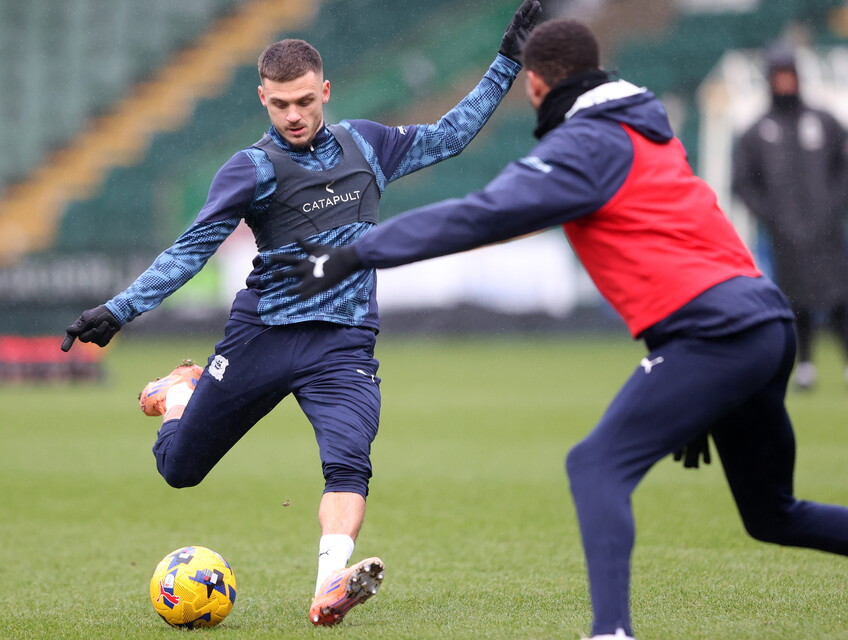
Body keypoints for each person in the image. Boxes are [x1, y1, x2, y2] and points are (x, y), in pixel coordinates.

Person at [275, 19, 848, 640]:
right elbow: (683, 250)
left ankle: (610, 634)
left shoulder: (584, 147)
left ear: (539, 87)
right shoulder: (645, 127)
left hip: (718, 335)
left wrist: (356, 252)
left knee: (594, 466)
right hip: (763, 322)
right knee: (773, 515)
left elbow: (480, 215)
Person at [61, 0, 542, 627]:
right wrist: (122, 310)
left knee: (349, 462)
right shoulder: (251, 169)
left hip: (342, 346)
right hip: (262, 336)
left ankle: (328, 588)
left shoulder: (367, 144)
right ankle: (180, 396)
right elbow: (192, 248)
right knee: (179, 470)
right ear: (263, 97)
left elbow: (449, 135)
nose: (295, 115)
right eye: (281, 103)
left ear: (325, 91)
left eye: (306, 102)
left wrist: (507, 60)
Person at [732, 45, 848, 391]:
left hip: (828, 230)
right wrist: (773, 217)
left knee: (840, 296)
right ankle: (805, 366)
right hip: (786, 235)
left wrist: (834, 206)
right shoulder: (756, 132)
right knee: (795, 300)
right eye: (778, 75)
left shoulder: (825, 122)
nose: (784, 81)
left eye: (789, 74)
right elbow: (743, 184)